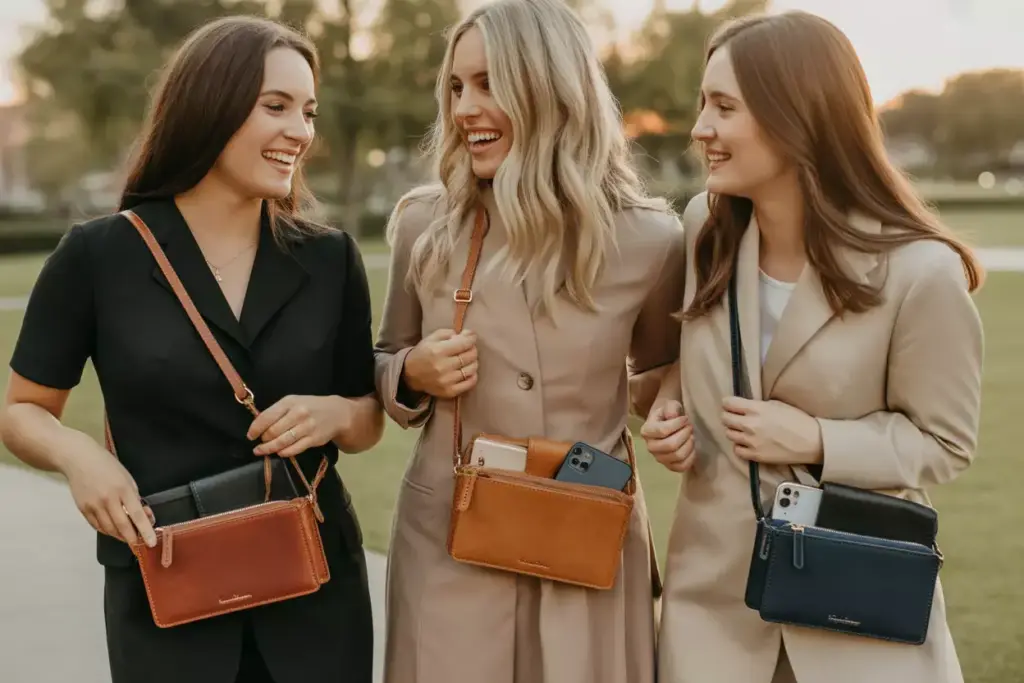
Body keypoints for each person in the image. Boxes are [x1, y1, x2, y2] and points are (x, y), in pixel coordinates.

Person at [0, 16, 382, 683]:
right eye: (277, 106)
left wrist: (335, 414)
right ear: (211, 104)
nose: (301, 130)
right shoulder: (96, 256)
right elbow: (23, 410)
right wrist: (79, 456)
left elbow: (366, 416)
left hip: (315, 586)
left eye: (308, 111)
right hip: (167, 591)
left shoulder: (330, 258)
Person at [635, 10, 985, 683]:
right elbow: (690, 357)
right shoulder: (704, 225)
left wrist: (816, 438)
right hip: (710, 622)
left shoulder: (921, 272)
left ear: (797, 116)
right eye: (703, 103)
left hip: (858, 627)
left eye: (724, 107)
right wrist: (670, 411)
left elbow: (945, 442)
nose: (700, 127)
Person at [372, 0, 685, 681]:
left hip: (588, 538)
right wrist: (412, 373)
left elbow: (662, 370)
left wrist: (669, 404)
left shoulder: (653, 240)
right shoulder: (423, 223)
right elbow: (383, 363)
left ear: (550, 89)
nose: (464, 109)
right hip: (448, 543)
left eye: (488, 84)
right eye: (456, 87)